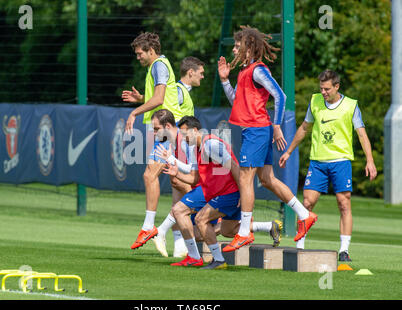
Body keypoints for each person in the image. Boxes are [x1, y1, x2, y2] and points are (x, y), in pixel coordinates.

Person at [217, 26, 317, 252]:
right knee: (267, 179)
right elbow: (237, 102)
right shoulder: (244, 71)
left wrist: (277, 125)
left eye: (237, 45)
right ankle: (304, 214)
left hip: (257, 130)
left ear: (249, 47)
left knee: (245, 178)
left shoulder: (257, 70)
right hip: (254, 130)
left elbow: (280, 96)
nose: (233, 49)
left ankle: (243, 233)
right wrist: (225, 81)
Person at [157, 116, 283, 269]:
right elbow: (194, 178)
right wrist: (176, 172)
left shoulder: (211, 145)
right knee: (227, 230)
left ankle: (217, 260)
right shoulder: (197, 148)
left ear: (195, 130)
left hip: (229, 193)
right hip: (218, 192)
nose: (183, 138)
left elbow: (235, 167)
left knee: (200, 219)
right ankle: (269, 226)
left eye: (185, 134)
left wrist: (243, 195)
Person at [279, 69, 377, 261]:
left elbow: (362, 134)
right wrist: (289, 151)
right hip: (318, 162)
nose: (323, 92)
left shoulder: (351, 105)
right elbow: (304, 128)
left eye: (327, 89)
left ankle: (344, 250)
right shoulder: (315, 101)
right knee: (307, 203)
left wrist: (370, 160)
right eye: (321, 88)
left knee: (343, 203)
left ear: (337, 87)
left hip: (341, 162)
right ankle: (300, 247)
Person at [121, 32, 186, 250]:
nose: (137, 57)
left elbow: (159, 99)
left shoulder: (159, 65)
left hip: (169, 129)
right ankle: (183, 240)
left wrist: (134, 112)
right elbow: (160, 98)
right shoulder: (155, 67)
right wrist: (141, 99)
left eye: (140, 53)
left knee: (152, 175)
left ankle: (150, 227)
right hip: (165, 130)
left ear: (151, 51)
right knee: (178, 183)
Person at [152, 56, 206, 257]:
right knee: (187, 191)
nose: (202, 76)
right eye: (200, 72)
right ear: (190, 72)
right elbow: (164, 108)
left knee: (179, 195)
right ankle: (166, 234)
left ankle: (178, 246)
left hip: (180, 143)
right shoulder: (179, 91)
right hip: (181, 143)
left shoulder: (184, 91)